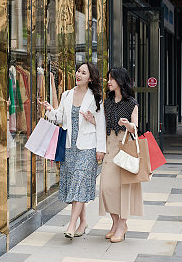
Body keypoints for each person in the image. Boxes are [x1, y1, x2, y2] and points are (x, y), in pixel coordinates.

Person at [42, 62, 106, 240]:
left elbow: (101, 124)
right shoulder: (67, 94)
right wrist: (50, 110)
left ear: (90, 78)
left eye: (83, 73)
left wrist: (101, 149)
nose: (79, 75)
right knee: (75, 184)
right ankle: (83, 221)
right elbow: (61, 117)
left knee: (79, 181)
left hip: (88, 146)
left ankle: (71, 225)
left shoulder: (96, 98)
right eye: (78, 71)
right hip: (70, 146)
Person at [99, 67, 143, 243]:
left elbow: (135, 128)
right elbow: (102, 123)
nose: (108, 81)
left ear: (120, 81)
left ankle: (121, 225)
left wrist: (127, 124)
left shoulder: (131, 103)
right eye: (108, 78)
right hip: (110, 147)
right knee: (106, 188)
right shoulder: (107, 102)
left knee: (123, 189)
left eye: (112, 79)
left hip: (124, 147)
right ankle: (117, 223)